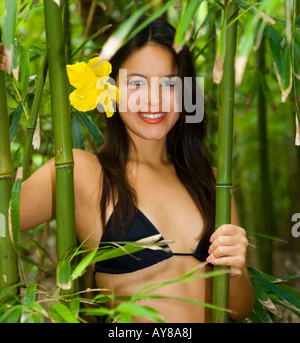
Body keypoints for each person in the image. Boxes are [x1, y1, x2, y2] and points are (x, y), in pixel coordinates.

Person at [0, 18, 255, 323]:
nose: (153, 98)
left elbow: (238, 309)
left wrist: (235, 268)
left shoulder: (211, 180)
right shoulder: (80, 172)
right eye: (136, 82)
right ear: (110, 88)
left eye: (169, 83)